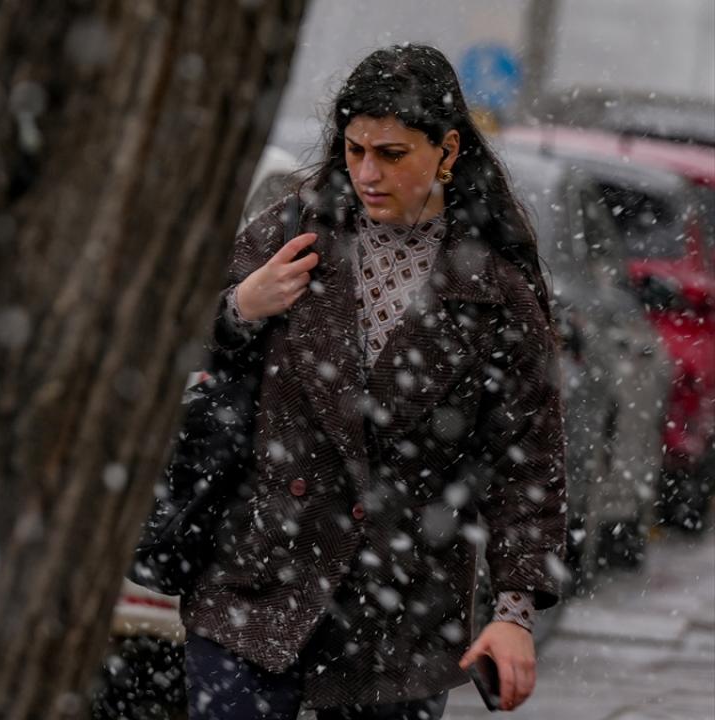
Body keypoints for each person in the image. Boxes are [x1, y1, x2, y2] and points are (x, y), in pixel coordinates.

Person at [181, 44, 568, 719]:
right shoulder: (293, 233)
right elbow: (166, 343)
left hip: (397, 616)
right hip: (258, 582)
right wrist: (240, 305)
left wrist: (514, 613)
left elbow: (528, 463)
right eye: (356, 149)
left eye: (392, 154)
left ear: (447, 151)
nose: (367, 172)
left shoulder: (494, 293)